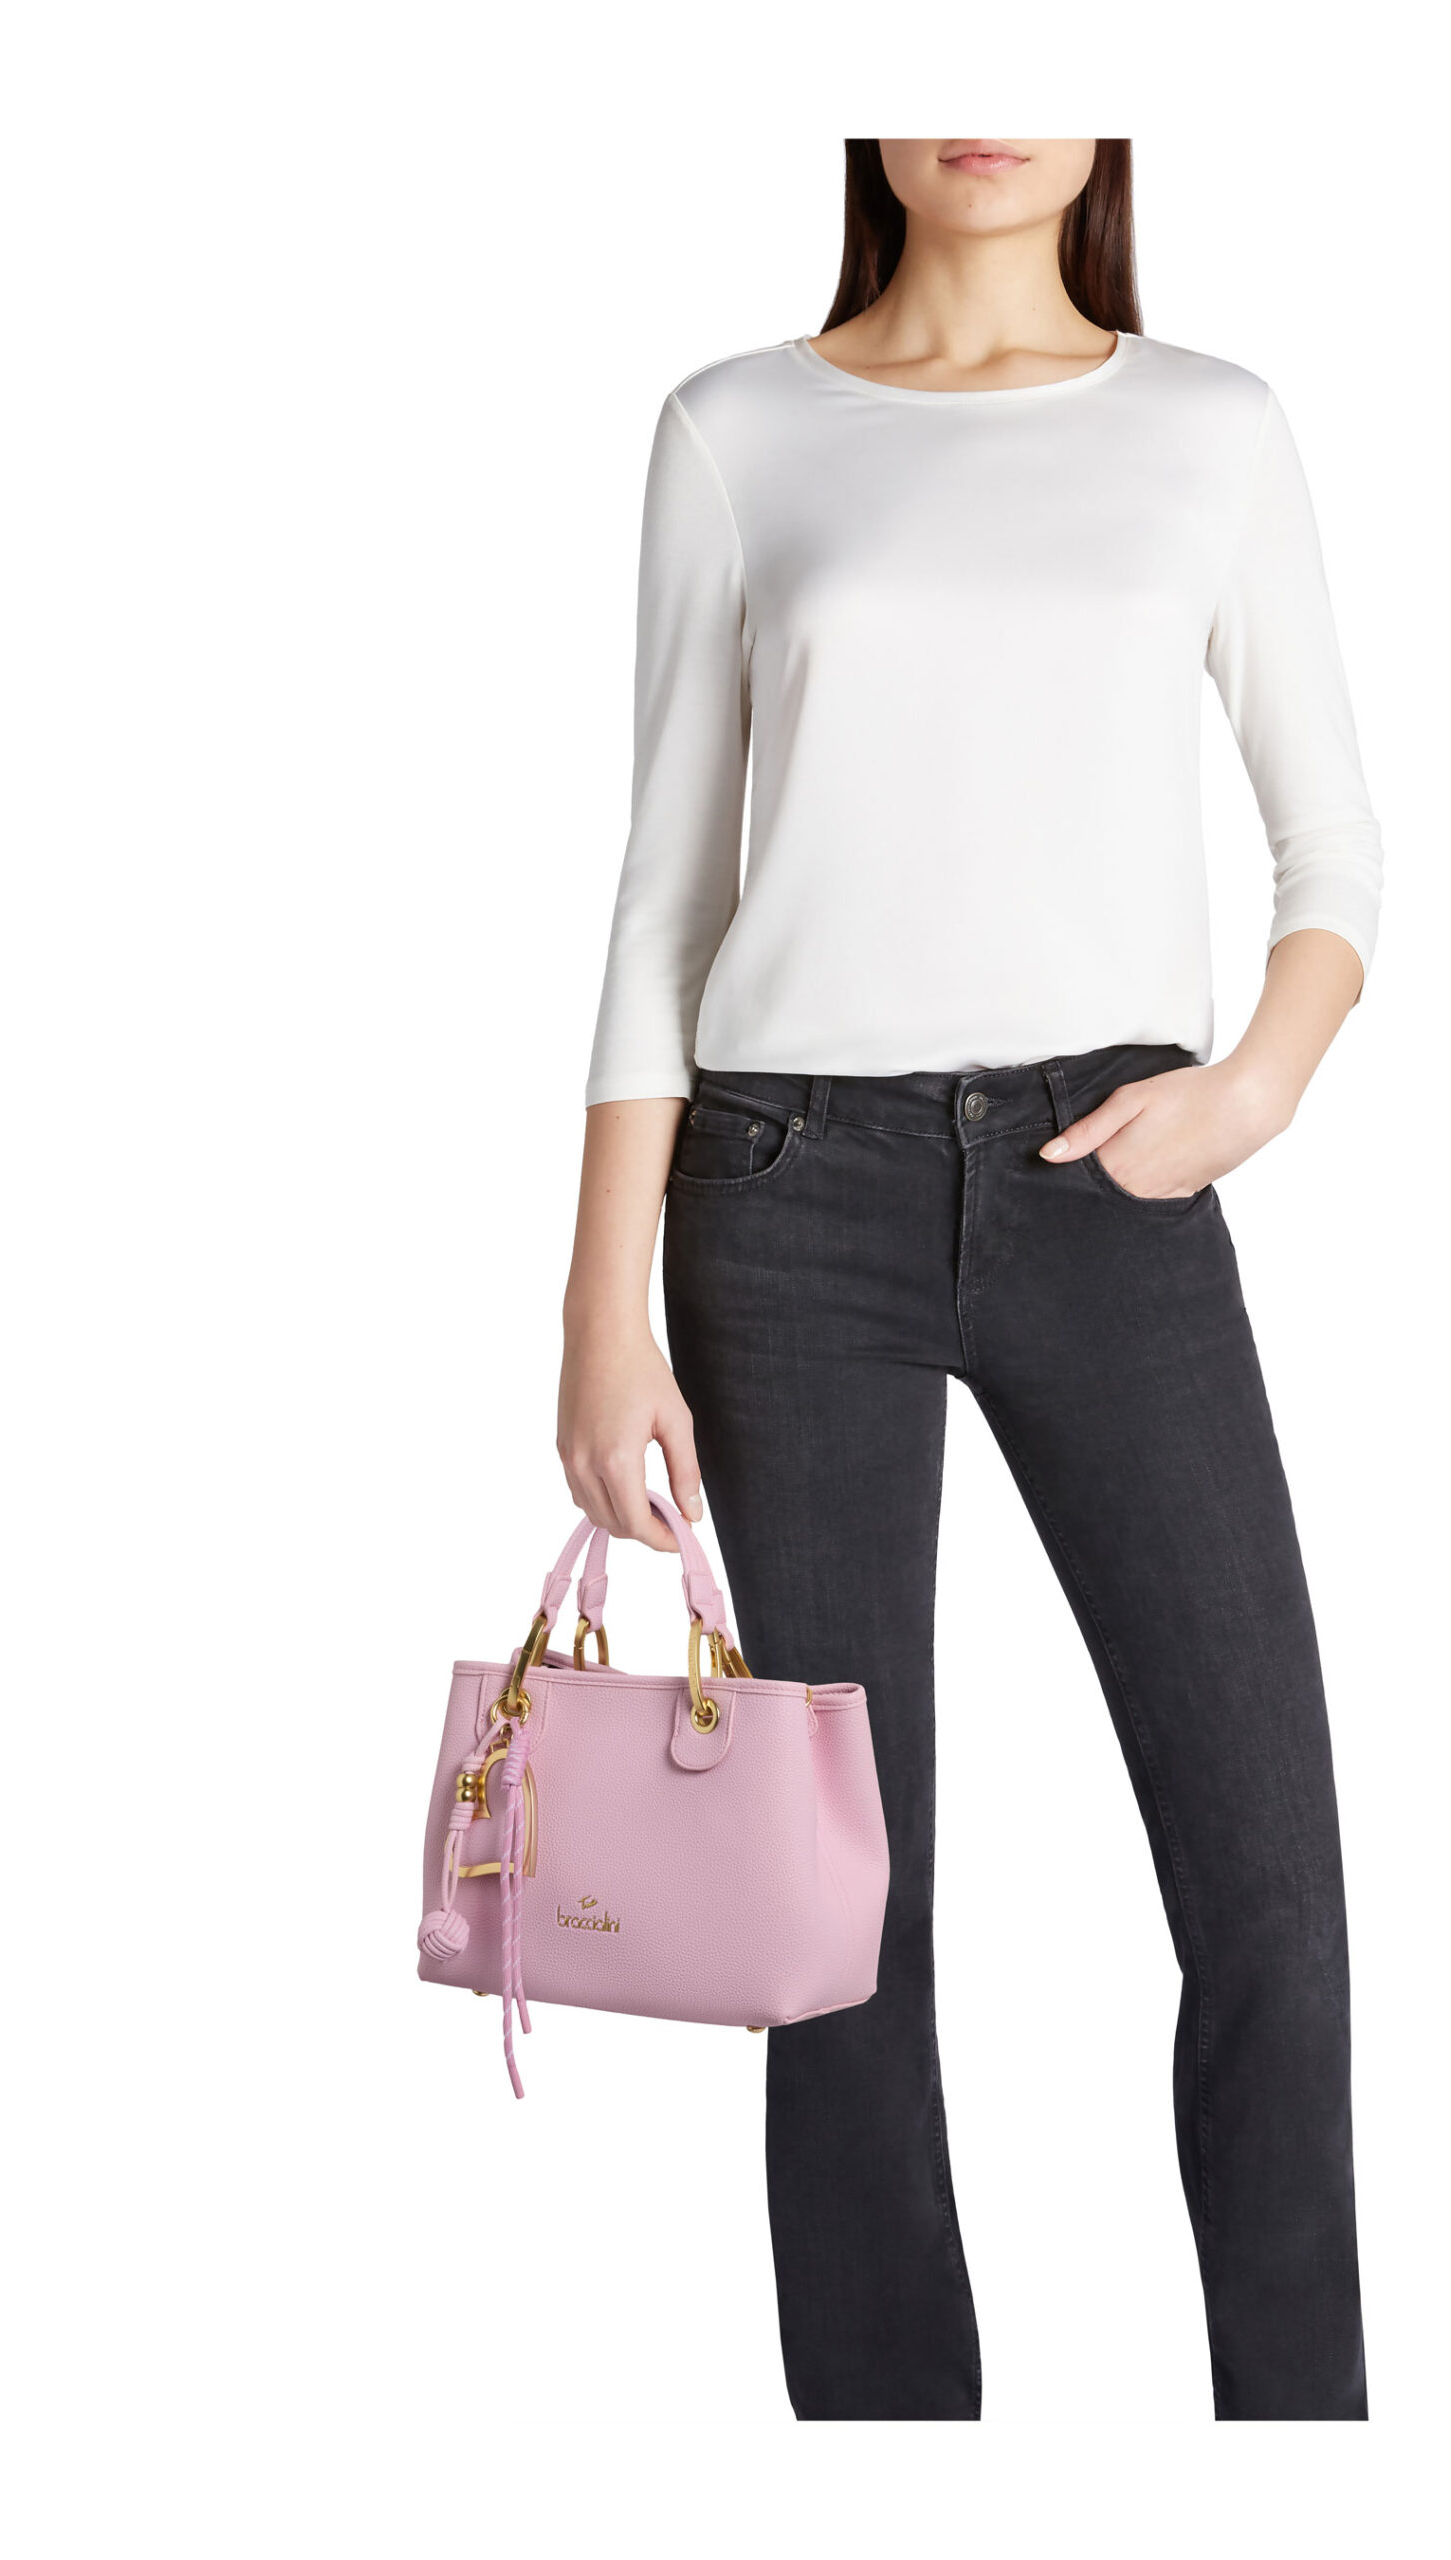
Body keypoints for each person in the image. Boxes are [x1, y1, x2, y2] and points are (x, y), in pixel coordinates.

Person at [556, 138, 1382, 2420]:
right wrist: (601, 1306)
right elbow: (662, 894)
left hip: (1111, 1175)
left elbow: (1333, 844)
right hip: (779, 1191)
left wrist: (1248, 1090)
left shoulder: (1207, 426)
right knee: (839, 1917)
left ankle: (1303, 2447)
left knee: (1269, 1888)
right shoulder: (736, 428)